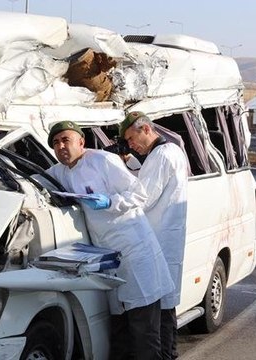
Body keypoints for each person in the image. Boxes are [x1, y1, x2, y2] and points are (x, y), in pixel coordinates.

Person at [46, 120, 175, 360]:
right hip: (108, 259)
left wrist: (109, 202)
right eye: (55, 143)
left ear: (81, 142)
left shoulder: (102, 161)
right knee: (120, 334)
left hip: (135, 252)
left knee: (144, 334)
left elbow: (139, 194)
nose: (61, 146)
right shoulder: (60, 171)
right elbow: (33, 180)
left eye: (66, 140)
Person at [120, 111, 189, 360]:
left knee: (157, 311)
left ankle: (166, 355)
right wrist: (130, 163)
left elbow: (144, 198)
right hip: (167, 238)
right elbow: (150, 180)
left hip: (158, 240)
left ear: (146, 129)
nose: (131, 144)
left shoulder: (160, 156)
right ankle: (169, 355)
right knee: (166, 306)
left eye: (131, 138)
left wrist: (111, 201)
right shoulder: (171, 151)